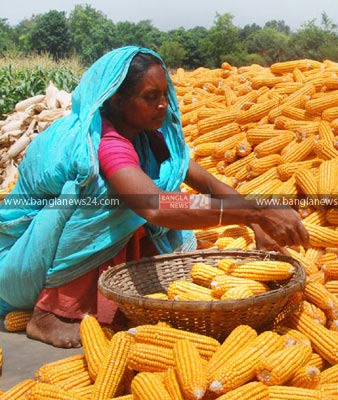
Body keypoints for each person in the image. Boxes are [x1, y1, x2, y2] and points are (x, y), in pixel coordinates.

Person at [0, 46, 309, 348]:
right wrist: (255, 213)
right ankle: (50, 311)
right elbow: (157, 207)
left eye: (164, 94)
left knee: (151, 199)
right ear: (117, 100)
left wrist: (256, 225)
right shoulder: (106, 143)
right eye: (151, 97)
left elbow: (209, 185)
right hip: (25, 255)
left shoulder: (149, 136)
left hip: (52, 241)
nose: (164, 105)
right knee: (111, 205)